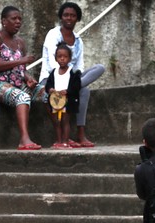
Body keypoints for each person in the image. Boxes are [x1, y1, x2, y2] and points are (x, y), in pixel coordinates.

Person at [39, 2, 105, 148]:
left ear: (77, 18)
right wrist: (66, 84)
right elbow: (52, 63)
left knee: (99, 68)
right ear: (61, 17)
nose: (69, 18)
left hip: (70, 79)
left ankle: (81, 135)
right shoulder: (53, 34)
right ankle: (76, 135)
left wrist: (72, 81)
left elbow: (79, 66)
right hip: (51, 79)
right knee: (84, 90)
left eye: (73, 15)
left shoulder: (78, 40)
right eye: (66, 15)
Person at [0, 5, 46, 150]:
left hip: (16, 83)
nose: (18, 22)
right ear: (4, 21)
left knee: (46, 93)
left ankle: (60, 139)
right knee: (22, 97)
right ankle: (24, 139)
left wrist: (28, 78)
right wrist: (21, 61)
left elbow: (20, 69)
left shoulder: (20, 42)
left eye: (20, 19)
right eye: (14, 19)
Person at [45, 42, 81, 148]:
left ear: (69, 59)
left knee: (65, 121)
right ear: (56, 58)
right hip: (55, 101)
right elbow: (48, 84)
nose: (62, 59)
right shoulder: (54, 72)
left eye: (65, 57)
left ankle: (65, 141)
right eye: (59, 56)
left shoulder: (73, 72)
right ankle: (59, 141)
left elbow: (77, 86)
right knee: (56, 122)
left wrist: (68, 91)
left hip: (67, 101)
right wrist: (50, 89)